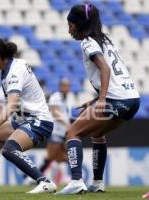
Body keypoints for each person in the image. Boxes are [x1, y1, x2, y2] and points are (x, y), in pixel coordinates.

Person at [56, 4, 140, 195]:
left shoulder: (87, 42)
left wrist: (101, 99)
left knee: (72, 133)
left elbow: (105, 69)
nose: (68, 29)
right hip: (132, 100)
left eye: (70, 24)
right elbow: (114, 76)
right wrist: (95, 100)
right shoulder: (106, 41)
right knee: (96, 134)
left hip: (114, 100)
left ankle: (76, 181)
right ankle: (98, 182)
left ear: (79, 24)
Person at [0, 35, 57, 194]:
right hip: (24, 120)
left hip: (39, 120)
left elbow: (11, 104)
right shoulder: (11, 66)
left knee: (9, 149)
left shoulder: (14, 71)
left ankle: (45, 182)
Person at [38, 79, 71, 184]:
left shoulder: (63, 98)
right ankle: (34, 176)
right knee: (51, 156)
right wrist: (66, 123)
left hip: (61, 132)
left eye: (68, 86)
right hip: (55, 131)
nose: (67, 88)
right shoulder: (56, 96)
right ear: (61, 86)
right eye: (65, 86)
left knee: (62, 157)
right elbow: (55, 112)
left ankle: (62, 177)